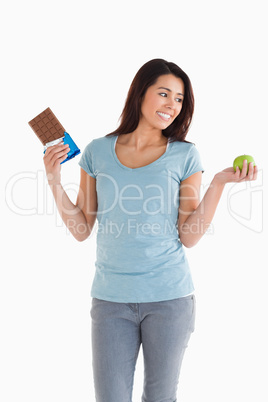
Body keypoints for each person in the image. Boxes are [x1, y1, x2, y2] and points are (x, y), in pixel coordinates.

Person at [43, 59, 258, 402]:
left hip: (169, 299)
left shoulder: (185, 155)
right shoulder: (97, 152)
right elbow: (81, 228)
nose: (172, 105)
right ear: (140, 93)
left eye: (179, 99)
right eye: (164, 93)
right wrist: (53, 179)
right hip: (111, 301)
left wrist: (218, 183)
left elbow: (188, 235)